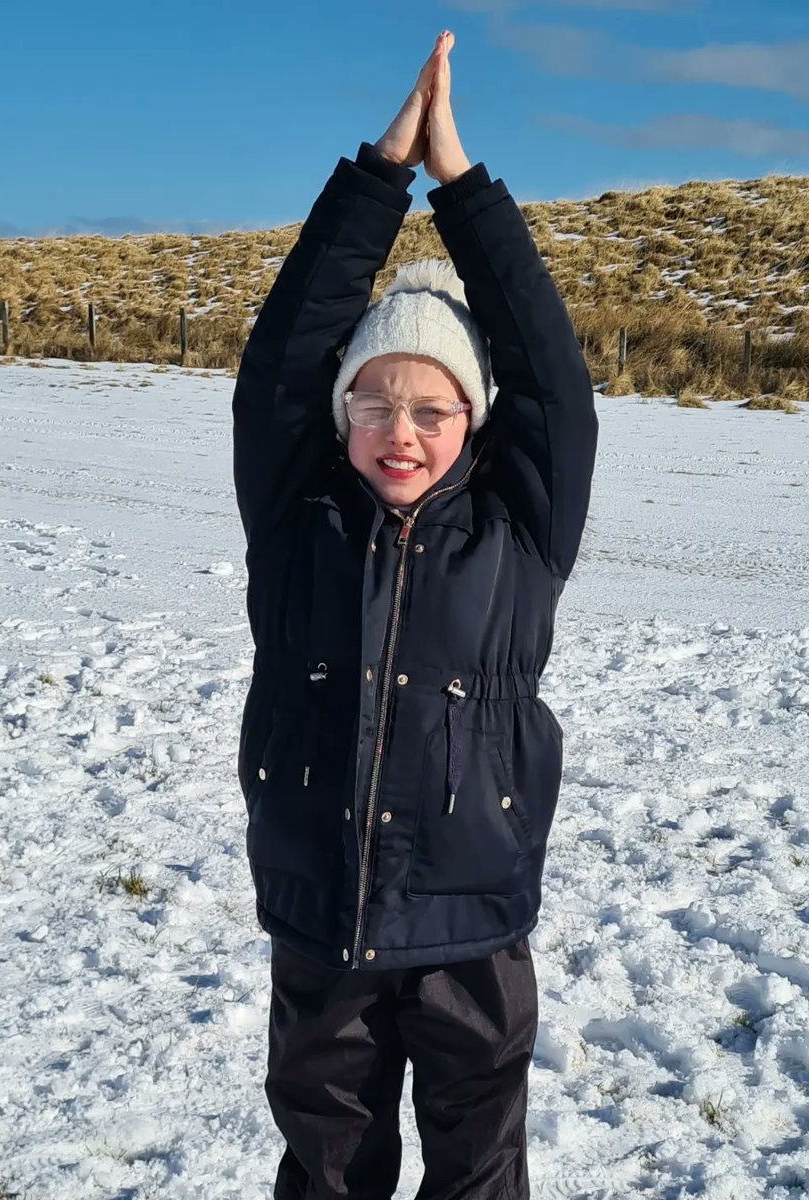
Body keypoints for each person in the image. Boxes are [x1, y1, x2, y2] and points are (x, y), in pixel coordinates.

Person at [231, 30, 598, 1200]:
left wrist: (461, 186)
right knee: (327, 1162)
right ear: (339, 419)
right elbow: (281, 359)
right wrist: (372, 181)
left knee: (478, 1169)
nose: (400, 429)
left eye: (432, 408)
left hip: (472, 919)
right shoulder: (299, 518)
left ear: (474, 423)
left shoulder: (521, 528)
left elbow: (552, 380)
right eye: (373, 401)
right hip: (320, 909)